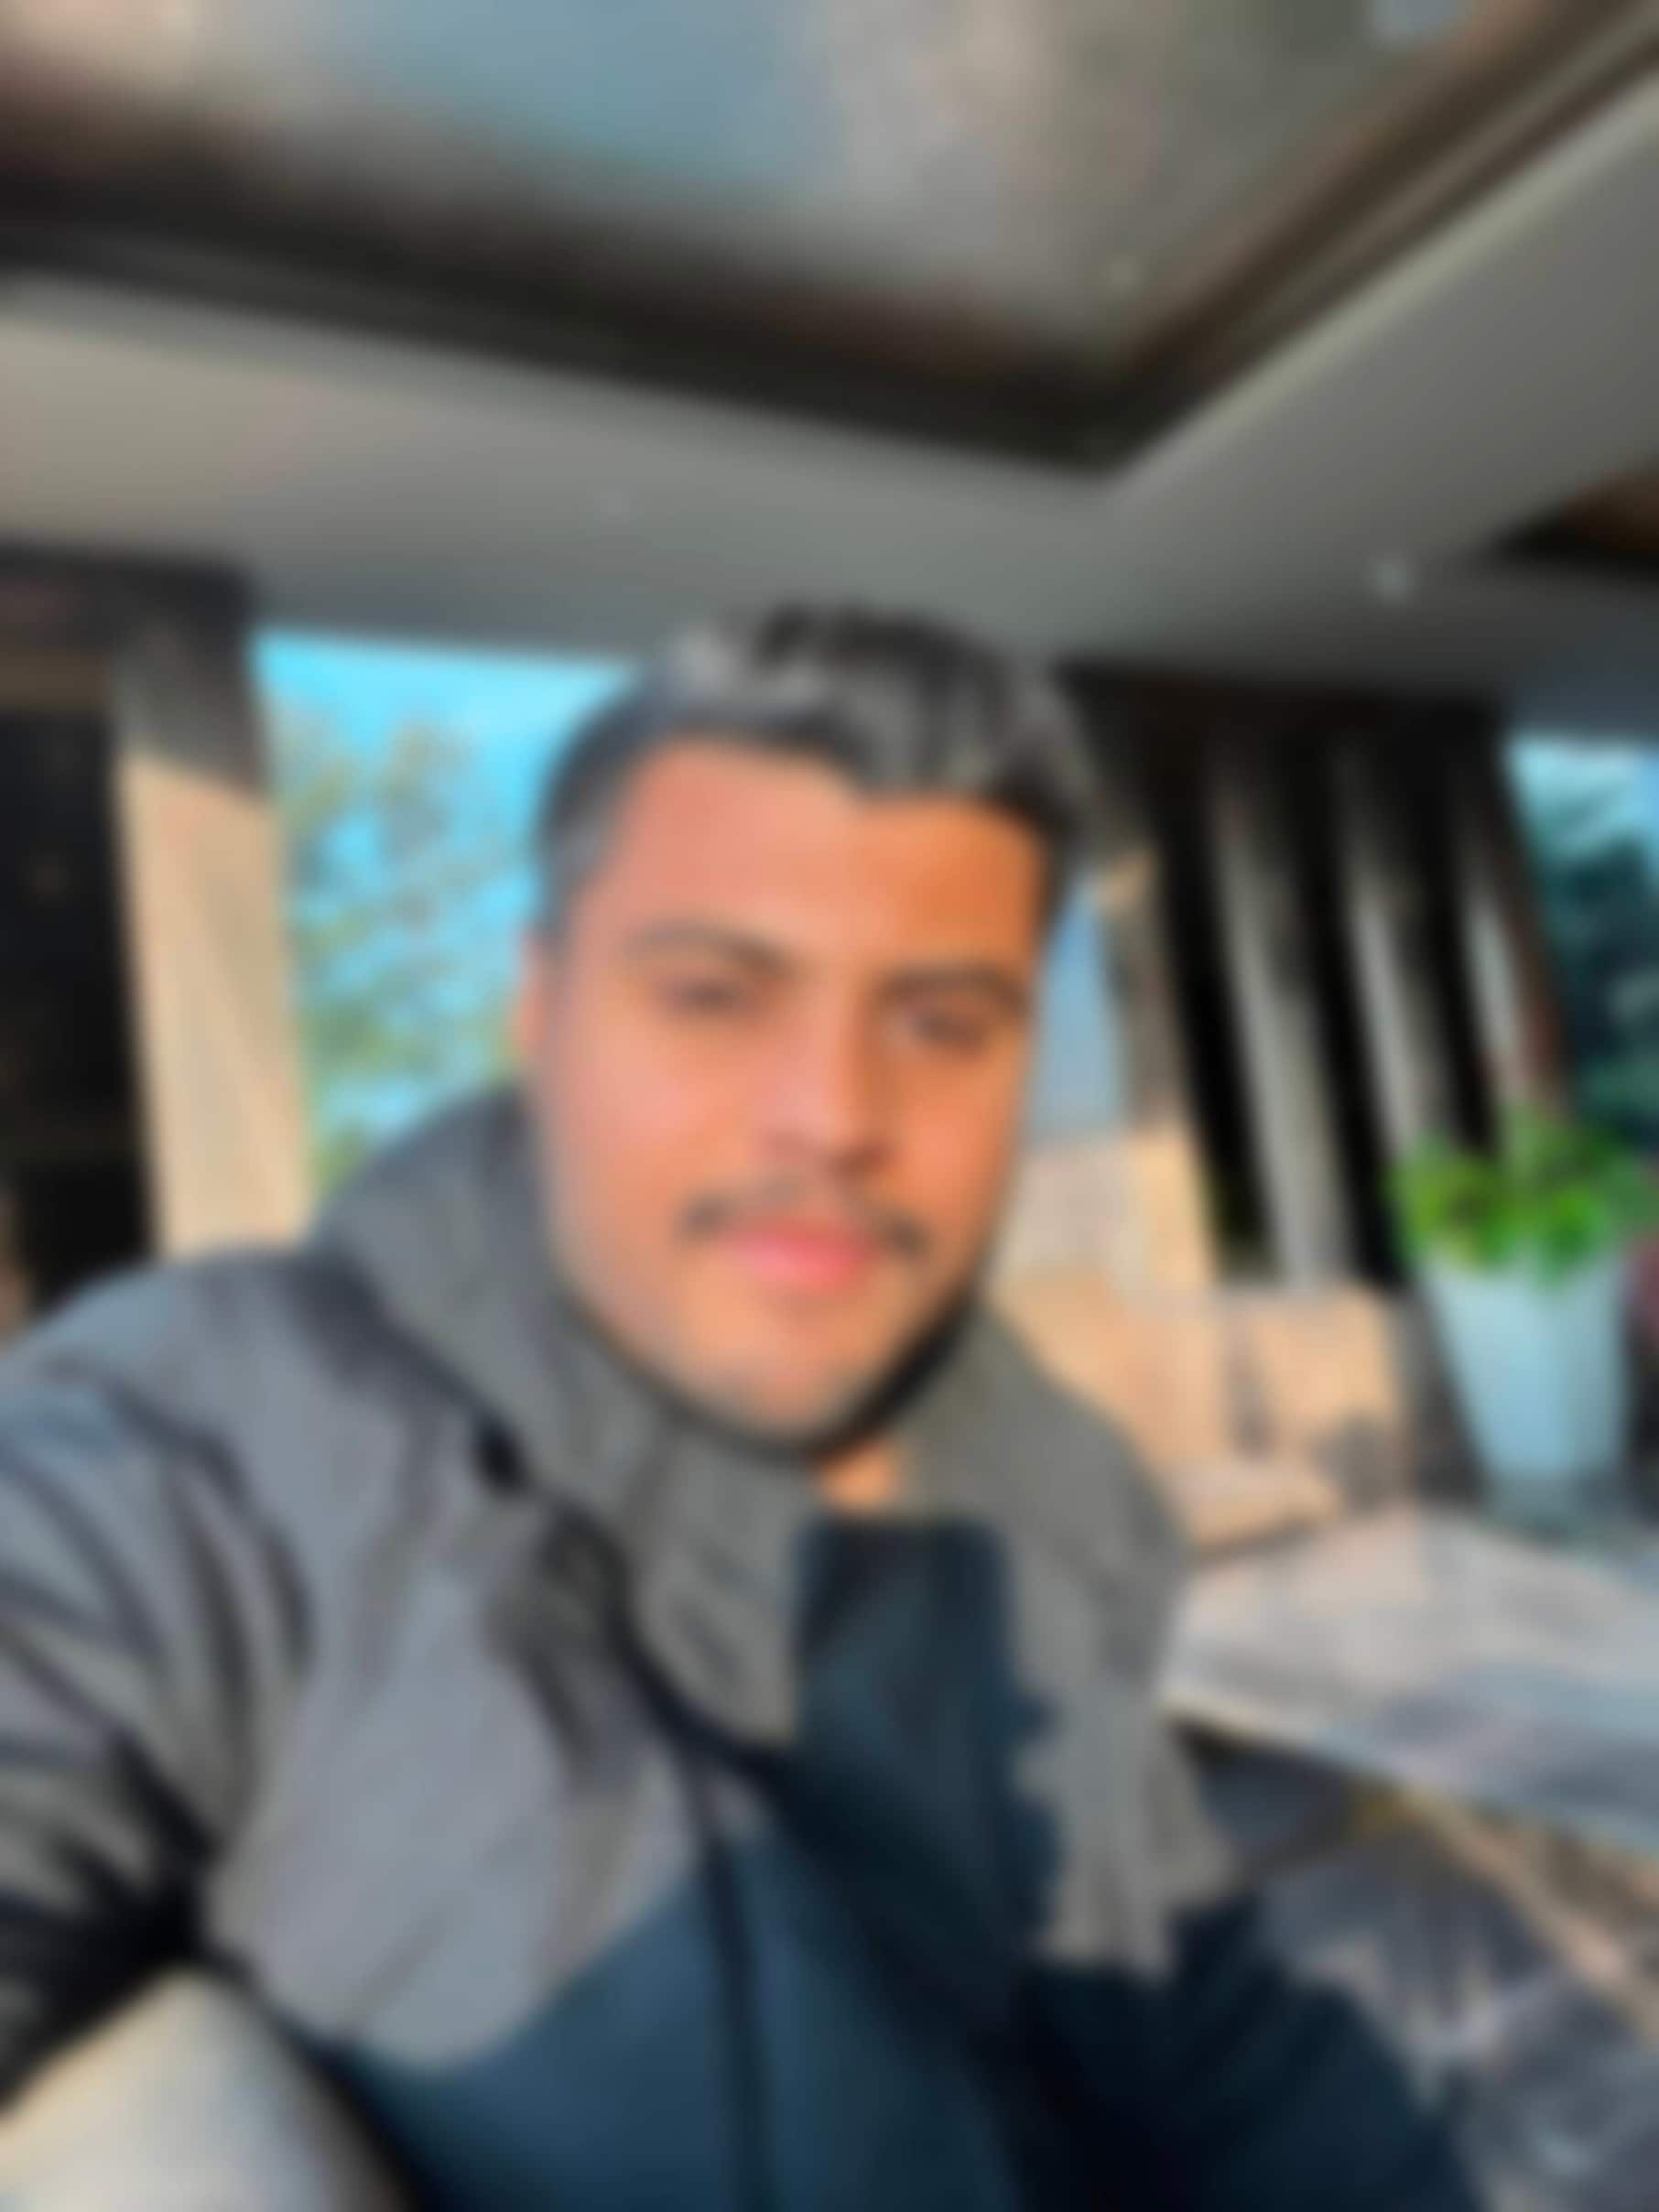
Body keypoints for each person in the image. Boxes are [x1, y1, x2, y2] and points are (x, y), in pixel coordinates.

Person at [0, 609, 1476, 2208]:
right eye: (714, 992)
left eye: (942, 1023)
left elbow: (1209, 2033)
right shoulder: (213, 1449)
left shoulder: (1040, 1496)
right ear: (541, 1011)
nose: (834, 1114)